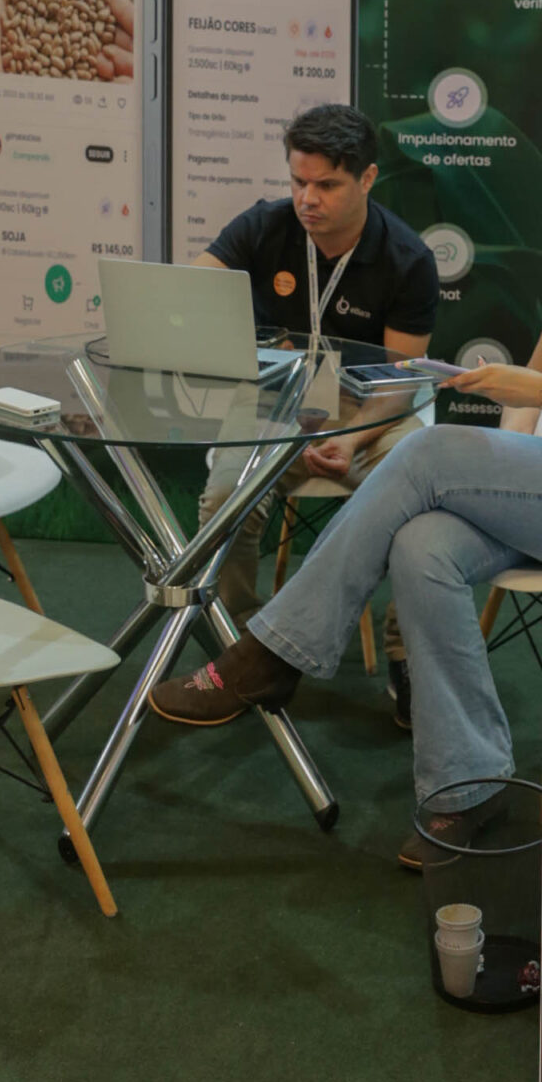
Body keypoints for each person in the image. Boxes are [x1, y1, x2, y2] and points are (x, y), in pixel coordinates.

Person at [149, 121, 542, 866]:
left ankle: (272, 653)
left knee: (427, 449)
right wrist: (517, 445)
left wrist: (540, 393)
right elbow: (533, 391)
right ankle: (468, 789)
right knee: (420, 543)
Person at [188, 104, 439, 717]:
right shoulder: (263, 227)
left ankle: (408, 656)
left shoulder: (407, 257)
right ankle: (246, 647)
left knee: (425, 508)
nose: (307, 199)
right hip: (273, 399)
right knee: (224, 504)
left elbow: (400, 382)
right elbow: (190, 292)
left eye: (326, 185)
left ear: (367, 178)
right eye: (298, 181)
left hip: (366, 407)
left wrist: (351, 441)